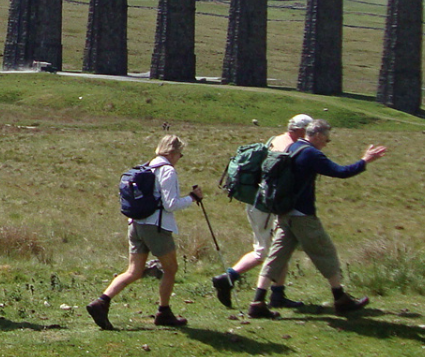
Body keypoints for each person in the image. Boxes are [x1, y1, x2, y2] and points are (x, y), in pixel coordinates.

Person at [246, 119, 388, 319]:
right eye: (327, 140)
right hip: (303, 216)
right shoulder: (311, 153)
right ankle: (340, 299)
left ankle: (257, 302)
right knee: (326, 253)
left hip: (284, 214)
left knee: (275, 258)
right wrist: (365, 160)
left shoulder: (294, 147)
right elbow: (341, 172)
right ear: (318, 135)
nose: (326, 143)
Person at [86, 135, 201, 330]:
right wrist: (192, 198)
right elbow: (170, 205)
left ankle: (101, 302)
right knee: (171, 269)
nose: (180, 158)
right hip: (156, 227)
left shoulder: (147, 166)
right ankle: (163, 312)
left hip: (135, 224)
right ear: (172, 153)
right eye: (180, 154)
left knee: (133, 271)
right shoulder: (167, 171)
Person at [211, 114, 314, 309]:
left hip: (256, 202)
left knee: (279, 249)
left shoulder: (274, 140)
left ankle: (278, 294)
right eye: (307, 131)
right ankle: (228, 279)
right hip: (267, 207)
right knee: (264, 252)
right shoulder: (289, 149)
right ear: (300, 130)